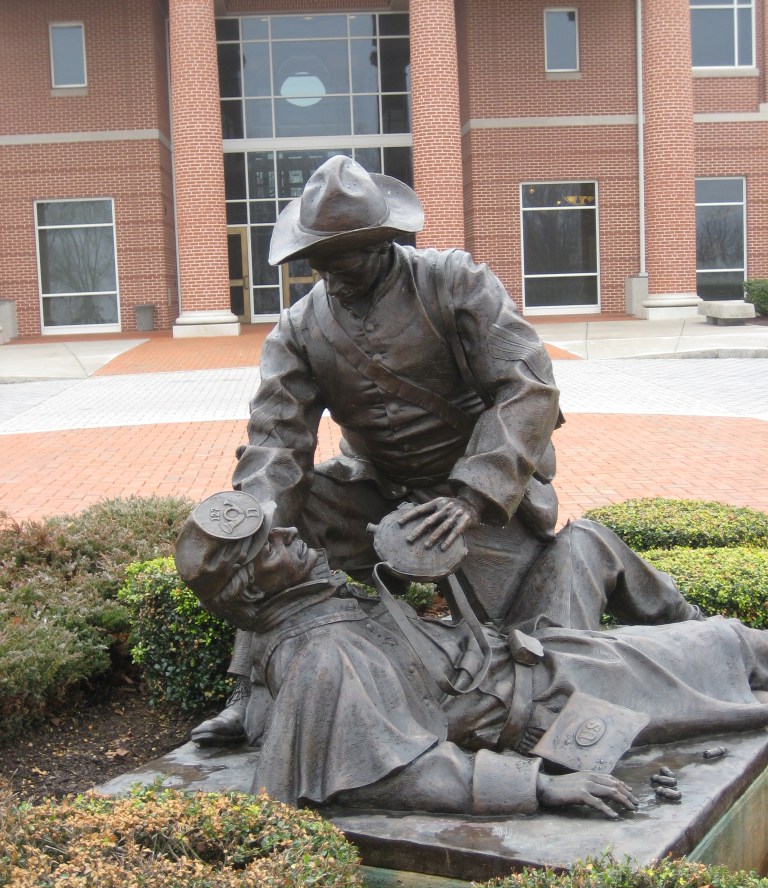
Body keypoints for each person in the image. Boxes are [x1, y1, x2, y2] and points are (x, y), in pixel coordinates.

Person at [192, 154, 703, 745]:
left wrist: (472, 495)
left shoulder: (456, 282)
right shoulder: (298, 329)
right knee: (284, 523)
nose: (331, 272)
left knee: (526, 658)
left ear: (385, 240)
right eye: (318, 260)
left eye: (345, 256)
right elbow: (276, 438)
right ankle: (253, 691)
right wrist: (253, 529)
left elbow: (527, 387)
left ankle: (679, 627)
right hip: (376, 491)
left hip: (471, 498)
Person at [176, 492, 768, 819]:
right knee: (726, 646)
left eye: (276, 531)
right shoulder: (323, 655)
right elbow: (396, 773)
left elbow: (274, 682)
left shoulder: (298, 610)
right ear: (252, 588)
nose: (289, 535)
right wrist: (536, 786)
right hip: (549, 703)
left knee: (700, 631)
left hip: (533, 657)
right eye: (270, 548)